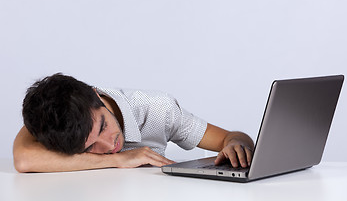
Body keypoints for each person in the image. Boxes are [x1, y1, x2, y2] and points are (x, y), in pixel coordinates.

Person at [13, 73, 254, 173]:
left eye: (103, 126)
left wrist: (237, 144)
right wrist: (119, 159)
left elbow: (230, 137)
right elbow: (23, 160)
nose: (108, 146)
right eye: (89, 148)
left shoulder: (158, 108)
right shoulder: (55, 124)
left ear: (97, 95)